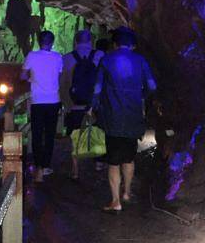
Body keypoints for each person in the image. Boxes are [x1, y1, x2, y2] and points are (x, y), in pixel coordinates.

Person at [92, 26, 157, 211]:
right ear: (133, 45)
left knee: (113, 161)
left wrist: (93, 105)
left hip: (112, 117)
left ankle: (115, 201)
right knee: (129, 158)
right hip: (133, 115)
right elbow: (152, 85)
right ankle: (127, 193)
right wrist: (141, 96)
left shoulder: (106, 59)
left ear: (115, 43)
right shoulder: (141, 61)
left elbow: (97, 88)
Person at [21, 30, 63, 182]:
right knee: (50, 134)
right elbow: (58, 76)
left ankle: (38, 166)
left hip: (38, 100)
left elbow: (23, 75)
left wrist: (32, 78)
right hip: (53, 100)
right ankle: (45, 166)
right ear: (52, 43)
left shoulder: (32, 56)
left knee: (37, 133)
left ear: (39, 41)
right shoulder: (58, 57)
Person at [61, 29, 104, 179]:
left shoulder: (66, 58)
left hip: (75, 105)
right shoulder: (100, 56)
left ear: (75, 42)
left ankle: (75, 169)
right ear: (90, 41)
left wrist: (67, 105)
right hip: (95, 105)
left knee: (75, 136)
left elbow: (63, 85)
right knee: (97, 133)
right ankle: (98, 163)